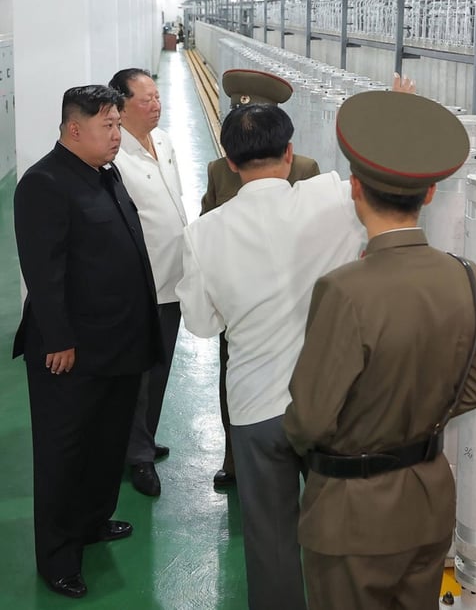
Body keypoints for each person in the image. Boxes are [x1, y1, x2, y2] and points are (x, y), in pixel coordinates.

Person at [284, 91, 476, 610]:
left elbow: (310, 419)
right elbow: (474, 389)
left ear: (354, 188)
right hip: (428, 502)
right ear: (431, 194)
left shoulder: (345, 290)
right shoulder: (466, 276)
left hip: (353, 517)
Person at [176, 102, 363, 610]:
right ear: (290, 153)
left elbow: (202, 323)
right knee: (342, 534)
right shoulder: (330, 199)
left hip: (255, 409)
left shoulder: (203, 233)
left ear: (229, 162)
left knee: (272, 542)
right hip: (330, 403)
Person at [13, 85, 162, 599]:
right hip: (71, 352)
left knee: (104, 444)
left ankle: (93, 521)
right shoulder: (44, 184)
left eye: (118, 124)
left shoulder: (105, 174)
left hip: (117, 342)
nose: (117, 135)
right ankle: (57, 556)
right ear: (74, 129)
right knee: (64, 453)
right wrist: (58, 338)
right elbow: (43, 271)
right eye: (108, 126)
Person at [200, 69, 321, 490]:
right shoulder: (220, 171)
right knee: (232, 376)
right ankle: (234, 458)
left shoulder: (304, 169)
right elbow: (207, 218)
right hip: (240, 298)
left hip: (290, 293)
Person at [107, 68, 187, 498]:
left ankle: (145, 438)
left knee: (160, 368)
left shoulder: (166, 142)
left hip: (174, 277)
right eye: (146, 99)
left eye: (157, 97)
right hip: (140, 283)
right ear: (121, 106)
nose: (157, 105)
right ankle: (136, 456)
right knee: (138, 374)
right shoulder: (114, 158)